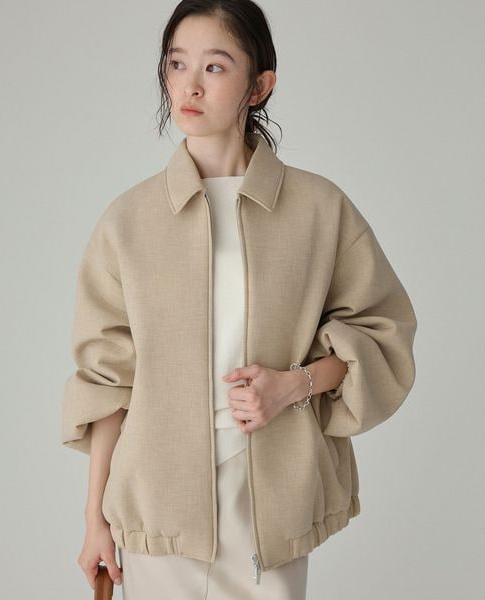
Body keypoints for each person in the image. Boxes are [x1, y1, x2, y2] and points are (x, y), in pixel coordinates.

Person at [61, 1, 418, 598]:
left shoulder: (319, 209)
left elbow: (380, 335)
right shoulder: (128, 221)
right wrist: (94, 518)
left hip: (270, 503)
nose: (189, 86)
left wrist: (293, 385)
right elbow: (106, 380)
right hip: (158, 506)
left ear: (259, 86)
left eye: (215, 66)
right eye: (177, 64)